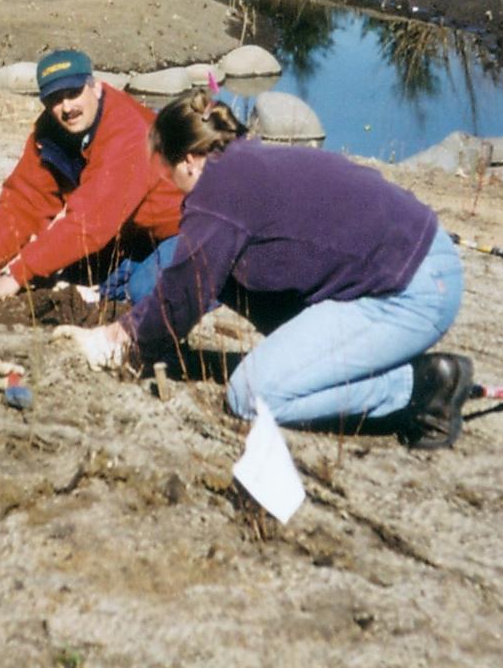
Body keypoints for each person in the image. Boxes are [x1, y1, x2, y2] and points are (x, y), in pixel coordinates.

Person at [58, 90, 474, 449]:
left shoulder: (219, 191)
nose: (166, 181)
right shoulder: (244, 162)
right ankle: (328, 364)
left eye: (164, 170)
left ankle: (420, 387)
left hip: (409, 291)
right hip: (413, 263)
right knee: (235, 275)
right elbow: (199, 279)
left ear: (187, 160)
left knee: (252, 395)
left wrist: (119, 338)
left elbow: (186, 291)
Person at [0, 49, 184, 305]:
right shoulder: (50, 131)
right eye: (55, 99)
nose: (67, 107)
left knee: (145, 293)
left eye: (73, 93)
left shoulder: (129, 130)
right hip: (132, 233)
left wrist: (15, 276)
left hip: (187, 229)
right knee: (68, 279)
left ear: (96, 88)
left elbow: (90, 223)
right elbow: (25, 200)